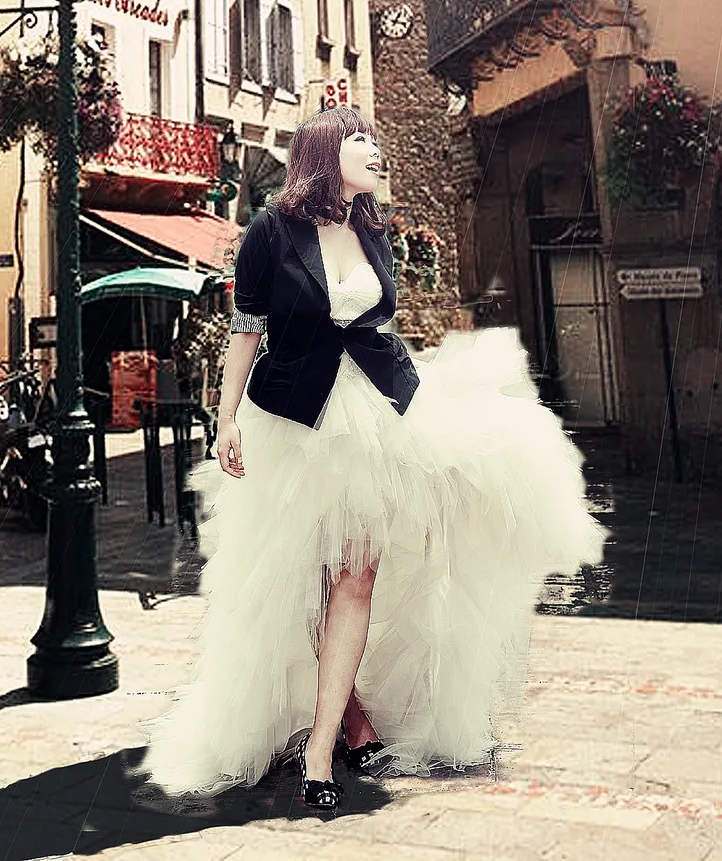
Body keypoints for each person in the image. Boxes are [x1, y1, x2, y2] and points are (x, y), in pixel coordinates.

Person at [141, 105, 605, 813]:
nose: (376, 149)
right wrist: (225, 418)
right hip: (292, 420)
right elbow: (246, 329)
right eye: (360, 138)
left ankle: (322, 745)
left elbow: (377, 325)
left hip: (376, 415)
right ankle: (351, 719)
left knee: (356, 578)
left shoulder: (372, 229)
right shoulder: (271, 231)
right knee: (299, 580)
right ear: (326, 150)